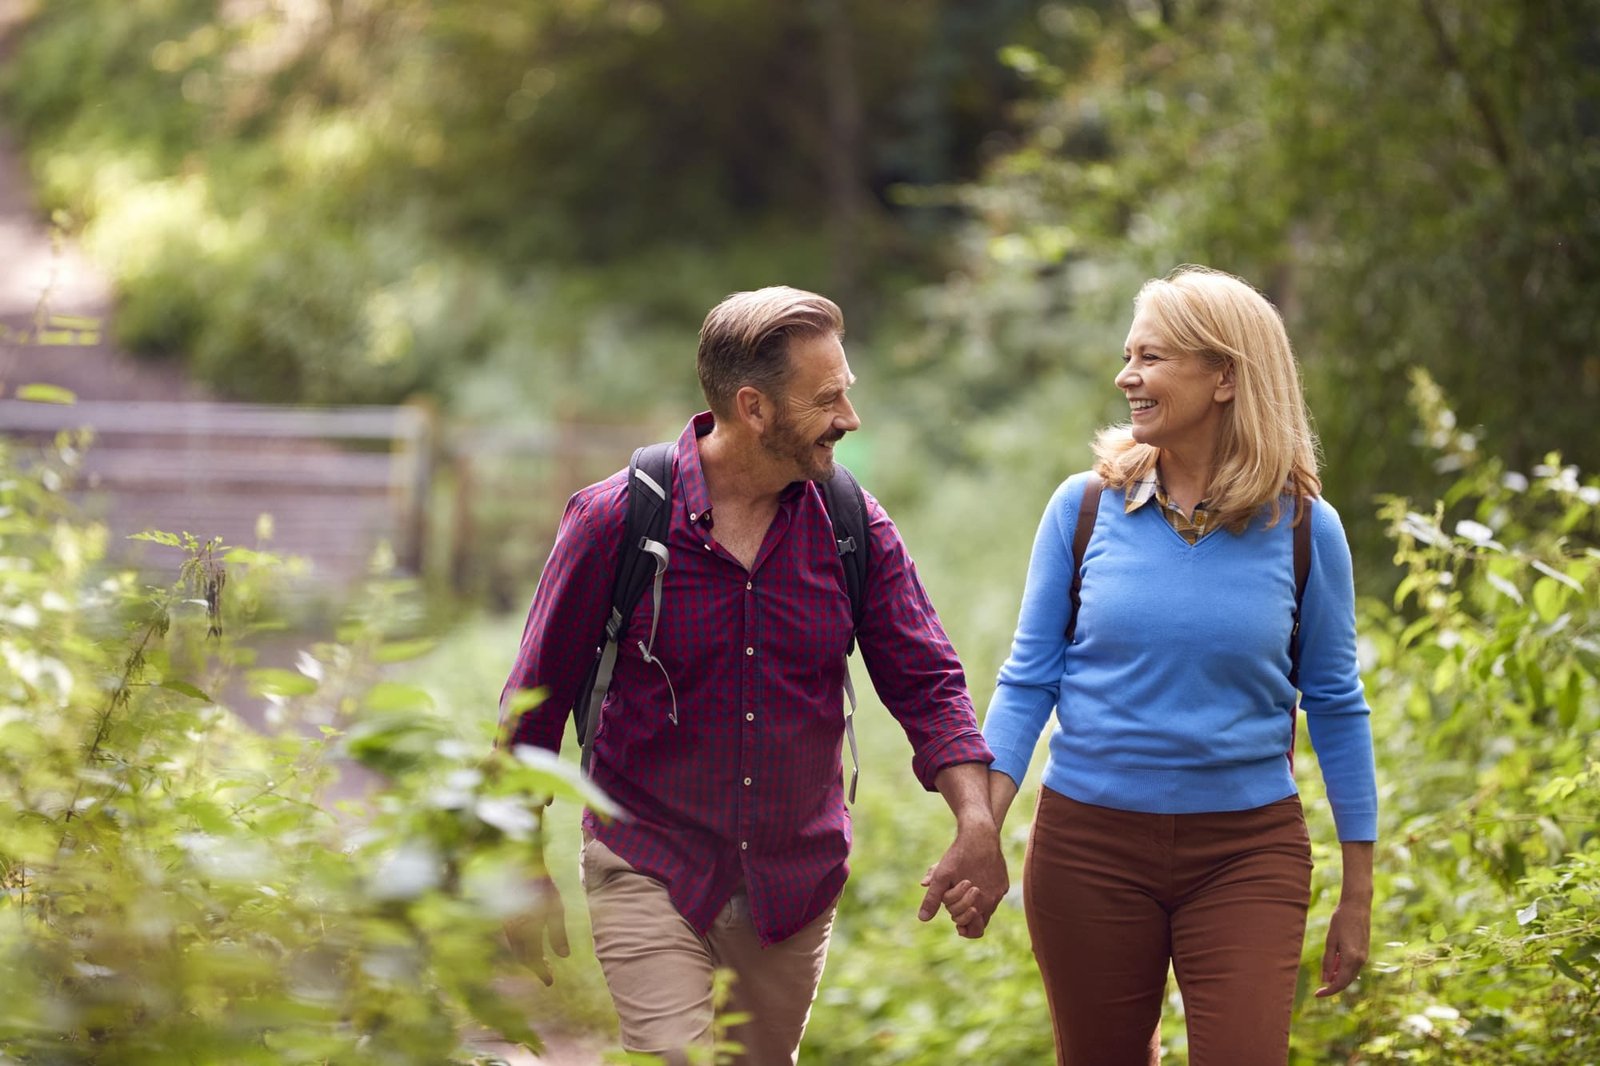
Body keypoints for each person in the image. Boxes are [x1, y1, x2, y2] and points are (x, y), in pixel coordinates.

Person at [498, 286, 1008, 1065]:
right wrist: (516, 860)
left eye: (848, 392)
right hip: (649, 865)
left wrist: (976, 820)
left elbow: (927, 680)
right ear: (754, 408)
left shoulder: (850, 526)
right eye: (827, 398)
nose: (849, 418)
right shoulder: (616, 522)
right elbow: (531, 704)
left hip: (791, 886)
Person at [956, 265, 1377, 1064]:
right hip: (1088, 846)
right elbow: (1028, 680)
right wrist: (983, 824)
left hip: (1247, 852)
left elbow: (1337, 704)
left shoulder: (1304, 531)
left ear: (1224, 375)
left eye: (1150, 358)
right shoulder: (1082, 509)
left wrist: (1357, 893)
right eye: (1127, 356)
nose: (1126, 377)